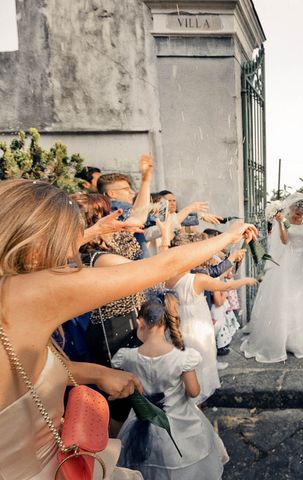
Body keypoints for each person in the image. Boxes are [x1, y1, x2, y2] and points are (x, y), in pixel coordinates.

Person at [0, 178, 256, 478]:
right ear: (35, 250)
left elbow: (31, 372)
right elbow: (160, 267)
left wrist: (97, 372)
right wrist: (229, 236)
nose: (72, 257)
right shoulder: (25, 294)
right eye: (66, 245)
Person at [114, 291, 228, 479]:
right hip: (180, 424)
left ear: (140, 322)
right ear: (166, 323)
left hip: (139, 425)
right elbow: (193, 392)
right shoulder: (182, 358)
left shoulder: (126, 357)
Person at [166, 232, 257, 403]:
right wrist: (245, 281)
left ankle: (185, 389)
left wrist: (165, 234)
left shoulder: (167, 277)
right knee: (201, 353)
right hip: (197, 322)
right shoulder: (197, 279)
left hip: (178, 320)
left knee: (182, 355)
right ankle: (199, 392)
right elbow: (226, 285)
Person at [241, 193, 303, 363]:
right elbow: (284, 241)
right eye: (296, 214)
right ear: (291, 211)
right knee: (286, 296)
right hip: (289, 262)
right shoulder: (285, 219)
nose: (298, 217)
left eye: (300, 215)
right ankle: (283, 338)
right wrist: (281, 223)